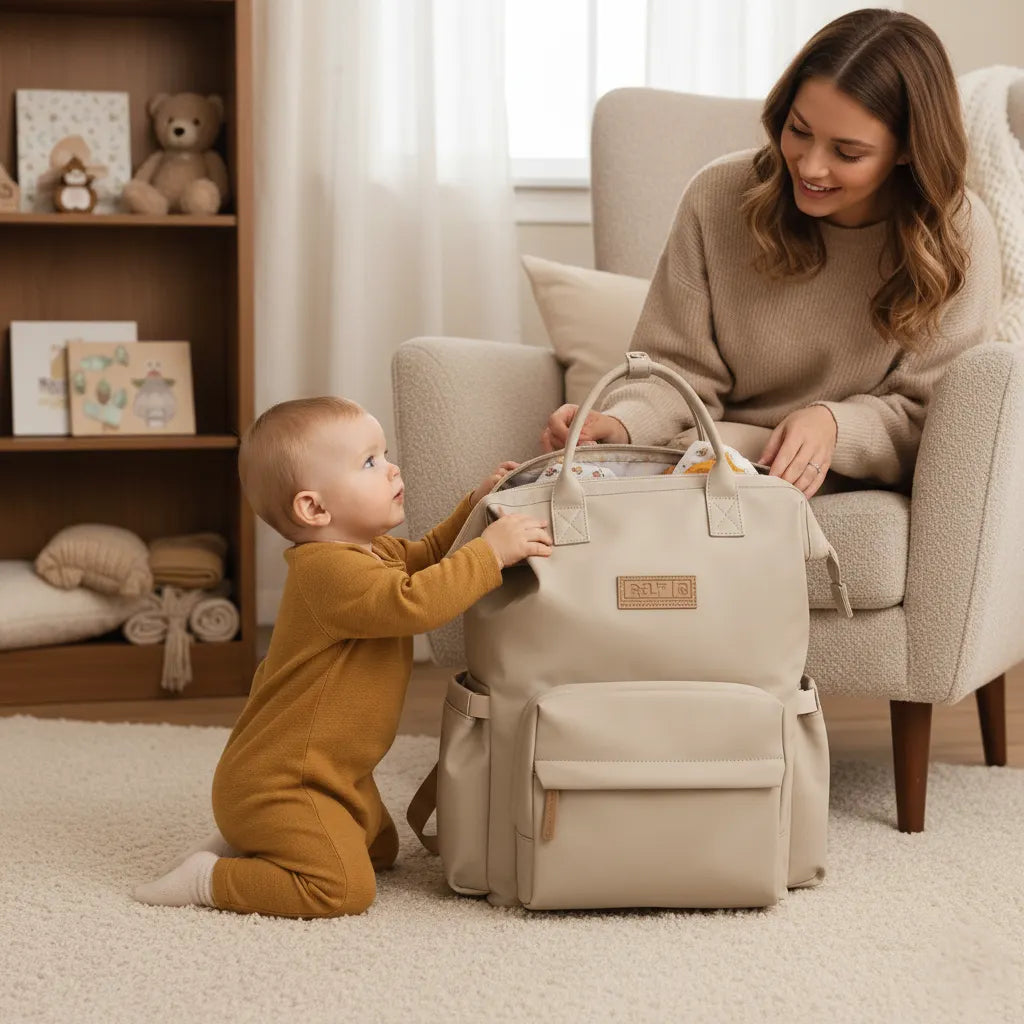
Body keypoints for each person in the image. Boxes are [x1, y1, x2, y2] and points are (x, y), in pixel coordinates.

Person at [541, 8, 1001, 499]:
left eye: (847, 152)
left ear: (908, 149)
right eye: (799, 130)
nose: (811, 166)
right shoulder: (718, 197)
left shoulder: (957, 234)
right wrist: (619, 424)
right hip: (710, 452)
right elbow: (676, 370)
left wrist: (835, 425)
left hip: (847, 473)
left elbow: (936, 415)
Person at [133, 396, 551, 916]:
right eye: (370, 462)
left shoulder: (374, 551)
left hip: (338, 775)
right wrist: (491, 553)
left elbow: (429, 557)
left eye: (384, 454)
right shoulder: (327, 572)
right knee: (342, 890)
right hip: (280, 780)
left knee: (381, 852)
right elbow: (414, 602)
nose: (392, 467)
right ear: (314, 508)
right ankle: (211, 878)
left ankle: (259, 844)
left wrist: (475, 505)